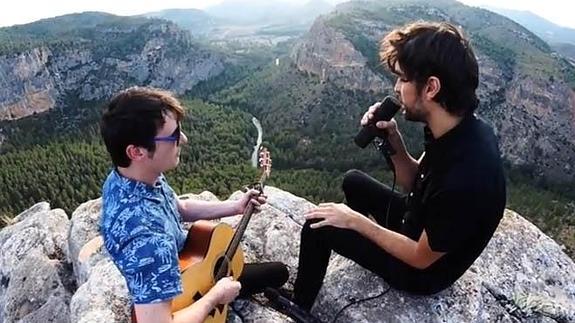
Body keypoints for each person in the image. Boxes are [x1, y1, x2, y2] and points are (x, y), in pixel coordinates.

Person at [292, 21, 507, 311]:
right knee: (353, 180)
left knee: (317, 226)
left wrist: (356, 222)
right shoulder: (456, 127)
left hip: (422, 271)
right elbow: (416, 184)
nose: (396, 88)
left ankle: (298, 309)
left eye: (403, 79)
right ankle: (352, 246)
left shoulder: (468, 174)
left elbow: (420, 257)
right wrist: (391, 138)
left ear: (431, 87)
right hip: (415, 224)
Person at [99, 87, 288, 323]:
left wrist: (236, 206)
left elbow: (180, 208)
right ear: (136, 151)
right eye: (173, 135)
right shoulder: (148, 240)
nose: (184, 139)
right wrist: (214, 296)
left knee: (278, 272)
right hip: (183, 298)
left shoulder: (136, 176)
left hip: (192, 269)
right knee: (262, 278)